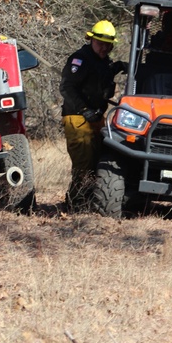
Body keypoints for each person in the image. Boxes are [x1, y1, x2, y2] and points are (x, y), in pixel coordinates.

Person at [60, 19, 127, 208]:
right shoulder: (80, 59)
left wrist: (118, 66)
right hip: (77, 119)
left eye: (108, 44)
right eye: (100, 43)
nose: (104, 48)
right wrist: (83, 110)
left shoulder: (103, 61)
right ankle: (75, 204)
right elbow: (67, 88)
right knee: (84, 166)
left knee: (99, 163)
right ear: (91, 40)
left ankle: (88, 201)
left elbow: (99, 77)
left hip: (96, 118)